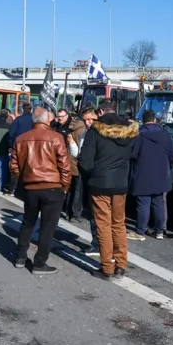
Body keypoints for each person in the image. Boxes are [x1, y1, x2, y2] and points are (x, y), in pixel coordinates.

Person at [79, 99, 138, 280]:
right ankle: (121, 265)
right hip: (120, 183)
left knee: (103, 225)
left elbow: (85, 161)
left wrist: (93, 173)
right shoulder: (130, 131)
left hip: (100, 183)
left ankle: (107, 267)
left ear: (101, 112)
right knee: (119, 224)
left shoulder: (95, 131)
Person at [10, 107, 71, 275]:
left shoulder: (21, 139)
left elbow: (14, 166)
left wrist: (25, 179)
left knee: (27, 223)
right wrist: (64, 187)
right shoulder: (56, 137)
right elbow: (65, 166)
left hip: (30, 187)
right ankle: (39, 262)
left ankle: (20, 257)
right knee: (47, 227)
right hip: (52, 186)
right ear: (47, 120)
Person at [128, 109, 173, 240]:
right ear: (154, 119)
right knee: (158, 202)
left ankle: (140, 232)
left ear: (143, 120)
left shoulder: (140, 135)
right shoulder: (166, 134)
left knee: (143, 202)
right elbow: (172, 155)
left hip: (142, 172)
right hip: (161, 173)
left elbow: (133, 154)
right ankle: (159, 231)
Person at [52, 108, 87, 222]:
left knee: (72, 188)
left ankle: (70, 212)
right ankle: (72, 212)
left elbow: (73, 147)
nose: (59, 119)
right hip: (70, 162)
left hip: (70, 161)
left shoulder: (72, 129)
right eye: (58, 117)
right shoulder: (78, 130)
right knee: (74, 189)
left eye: (61, 117)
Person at [77, 107, 100, 255]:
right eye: (85, 120)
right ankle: (96, 241)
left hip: (96, 175)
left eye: (91, 119)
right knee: (92, 212)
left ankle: (98, 243)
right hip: (87, 174)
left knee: (98, 213)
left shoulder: (99, 134)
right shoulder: (85, 134)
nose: (88, 122)